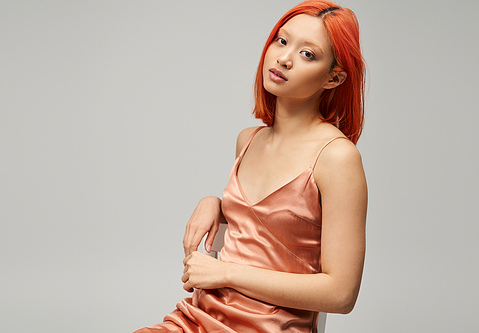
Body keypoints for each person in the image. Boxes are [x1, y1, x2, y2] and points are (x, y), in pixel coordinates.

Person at [134, 0, 367, 332]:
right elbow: (264, 234)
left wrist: (225, 273)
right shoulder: (248, 141)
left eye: (308, 54)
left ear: (334, 77)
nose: (283, 58)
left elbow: (341, 294)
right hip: (199, 316)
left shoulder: (337, 157)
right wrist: (212, 202)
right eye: (282, 40)